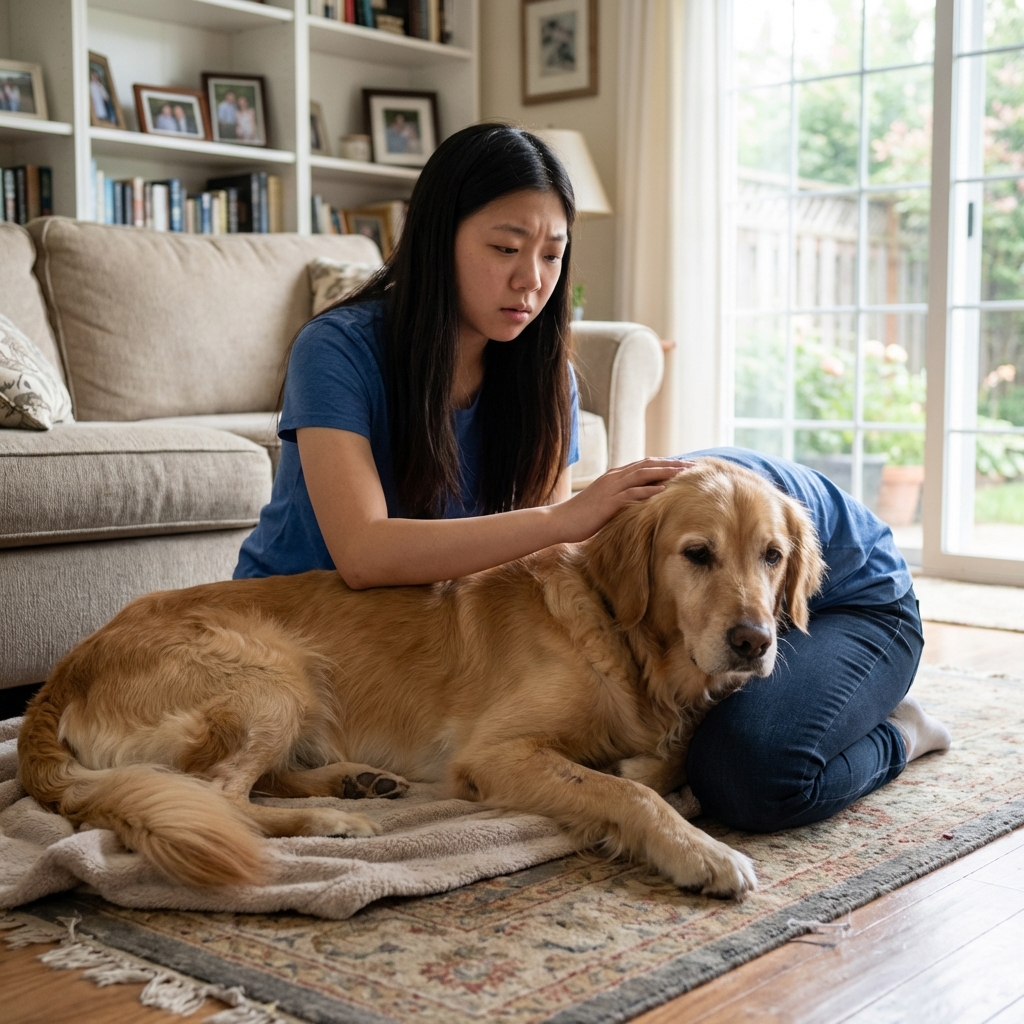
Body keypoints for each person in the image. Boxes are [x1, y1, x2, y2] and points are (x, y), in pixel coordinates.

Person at [677, 447, 950, 833]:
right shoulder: (655, 519)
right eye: (700, 554)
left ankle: (902, 734)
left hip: (865, 607)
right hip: (787, 611)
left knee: (745, 777)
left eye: (771, 555)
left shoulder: (766, 516)